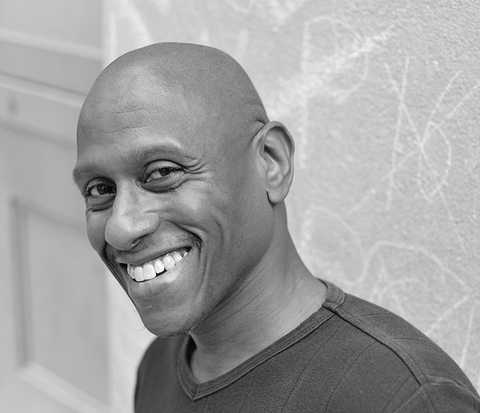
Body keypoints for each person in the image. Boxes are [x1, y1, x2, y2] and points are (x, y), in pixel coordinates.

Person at [73, 43, 480, 412]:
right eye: (100, 190)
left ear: (271, 162)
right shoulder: (160, 366)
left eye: (162, 172)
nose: (120, 228)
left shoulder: (406, 399)